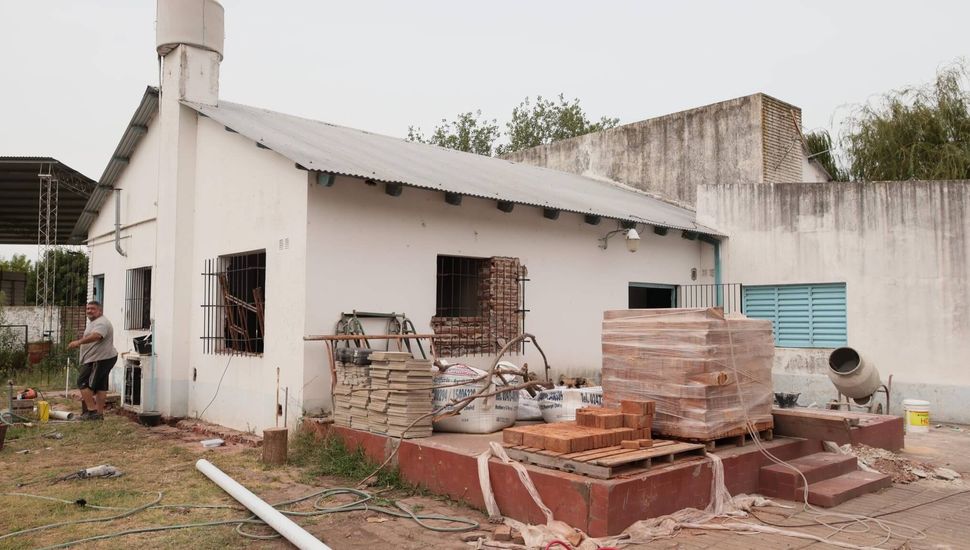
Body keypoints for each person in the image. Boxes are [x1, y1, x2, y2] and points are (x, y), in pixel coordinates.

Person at [68, 301, 118, 421]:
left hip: (100, 358)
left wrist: (78, 342)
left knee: (83, 382)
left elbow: (97, 336)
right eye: (88, 308)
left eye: (93, 309)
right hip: (103, 357)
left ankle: (91, 412)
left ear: (100, 311)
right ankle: (99, 414)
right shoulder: (95, 322)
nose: (89, 311)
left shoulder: (101, 323)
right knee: (101, 386)